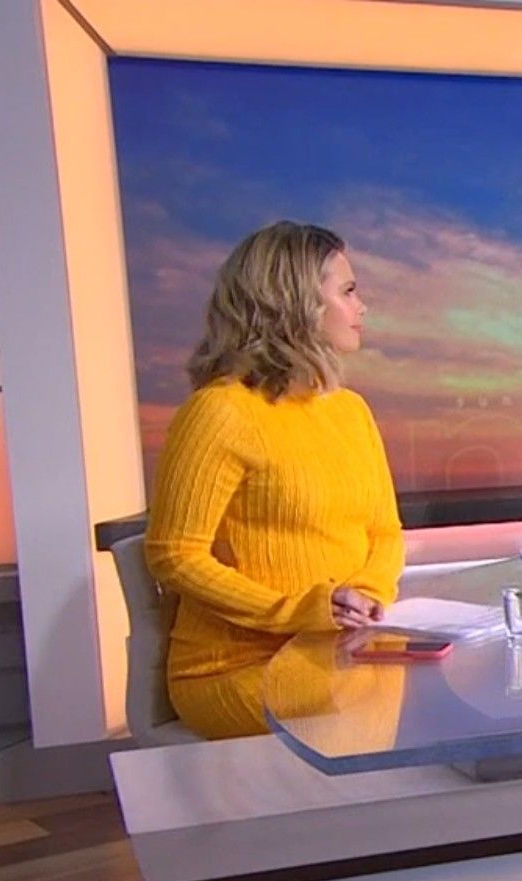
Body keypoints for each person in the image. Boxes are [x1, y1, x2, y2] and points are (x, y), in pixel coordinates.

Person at [144, 221, 404, 740]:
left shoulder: (351, 411)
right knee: (379, 689)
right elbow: (175, 555)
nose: (362, 307)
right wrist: (298, 611)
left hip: (339, 648)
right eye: (348, 291)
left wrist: (366, 594)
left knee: (438, 671)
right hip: (237, 665)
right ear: (296, 304)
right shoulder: (220, 412)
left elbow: (384, 532)